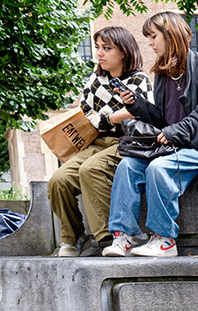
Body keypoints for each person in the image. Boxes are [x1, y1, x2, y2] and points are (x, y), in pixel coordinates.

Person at [103, 12, 198, 257]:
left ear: (170, 34)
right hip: (170, 146)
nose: (150, 43)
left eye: (153, 36)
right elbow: (161, 118)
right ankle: (124, 236)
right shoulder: (163, 74)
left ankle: (164, 240)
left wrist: (174, 131)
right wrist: (136, 105)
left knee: (158, 169)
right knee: (127, 166)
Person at [47, 27, 153, 257]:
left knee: (90, 169)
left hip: (127, 143)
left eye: (107, 48)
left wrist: (106, 118)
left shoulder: (138, 79)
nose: (100, 54)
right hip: (96, 143)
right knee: (58, 180)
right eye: (98, 48)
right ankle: (73, 237)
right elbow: (86, 115)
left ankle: (114, 236)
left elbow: (139, 113)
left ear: (123, 51)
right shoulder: (96, 79)